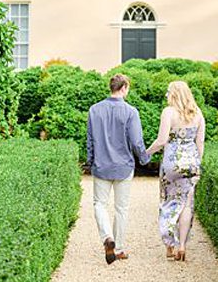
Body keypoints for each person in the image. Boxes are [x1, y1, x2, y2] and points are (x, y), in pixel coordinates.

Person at [82, 71, 148, 266]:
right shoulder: (131, 112)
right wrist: (144, 158)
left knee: (99, 204)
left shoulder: (94, 110)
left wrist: (90, 160)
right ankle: (118, 248)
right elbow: (136, 142)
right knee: (121, 208)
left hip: (101, 165)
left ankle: (106, 237)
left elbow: (90, 140)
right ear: (124, 88)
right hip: (123, 167)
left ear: (111, 88)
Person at [150, 77, 206, 262]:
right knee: (186, 204)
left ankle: (170, 246)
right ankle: (182, 245)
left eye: (168, 92)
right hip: (191, 164)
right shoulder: (198, 113)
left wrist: (146, 152)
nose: (166, 95)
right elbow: (200, 144)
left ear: (174, 94)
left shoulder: (169, 112)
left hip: (172, 165)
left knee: (169, 202)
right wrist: (196, 164)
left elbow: (162, 140)